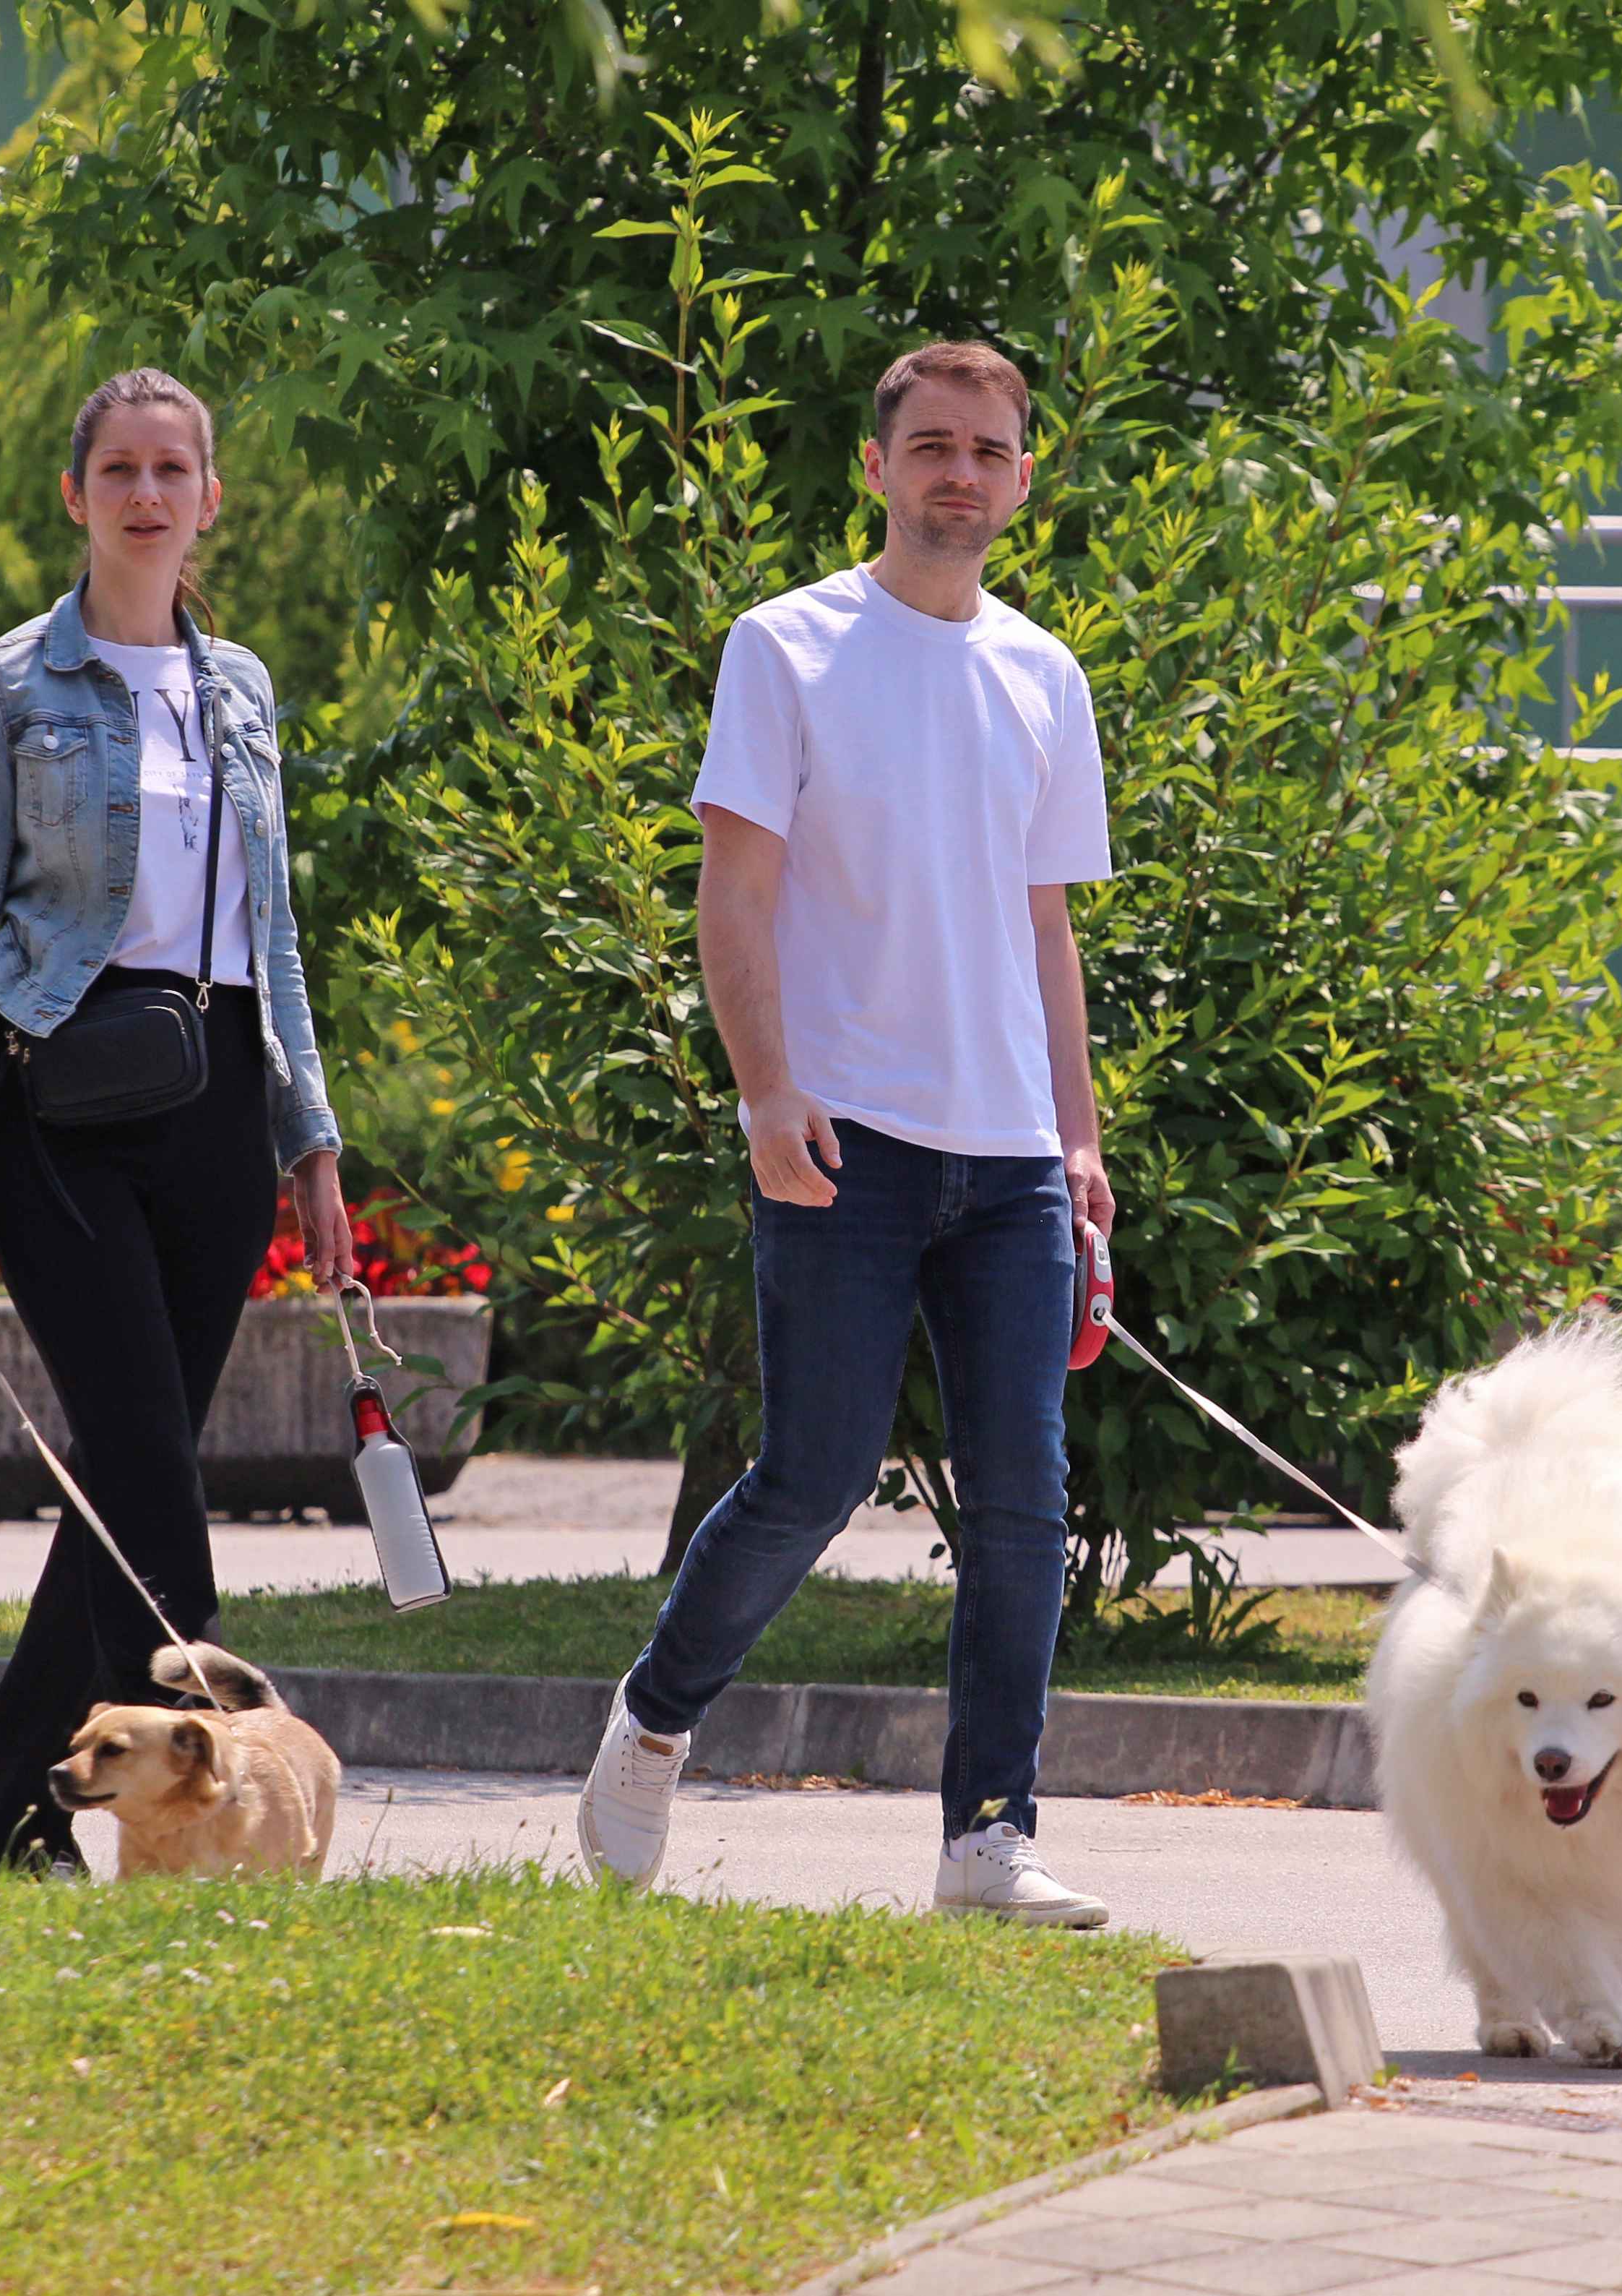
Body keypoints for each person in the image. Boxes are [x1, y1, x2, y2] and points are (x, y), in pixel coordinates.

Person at [578, 340, 1117, 1927]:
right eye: (932, 445)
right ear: (877, 466)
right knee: (810, 1477)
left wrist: (1081, 1140)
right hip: (840, 1140)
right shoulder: (785, 646)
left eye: (990, 450)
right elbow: (733, 891)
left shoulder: (1045, 673)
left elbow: (1047, 929)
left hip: (1010, 1160)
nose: (961, 473)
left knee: (1022, 1501)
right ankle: (654, 1718)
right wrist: (764, 1089)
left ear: (1023, 477)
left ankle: (987, 1837)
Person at [0, 367, 350, 1877]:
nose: (146, 495)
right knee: (148, 1463)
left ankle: (1, 1806)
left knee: (121, 1477)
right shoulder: (7, 688)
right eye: (119, 470)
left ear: (210, 497)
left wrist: (309, 1140)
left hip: (216, 1103)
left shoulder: (243, 691)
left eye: (172, 470)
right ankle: (219, 1782)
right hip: (61, 1102)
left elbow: (275, 938)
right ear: (76, 494)